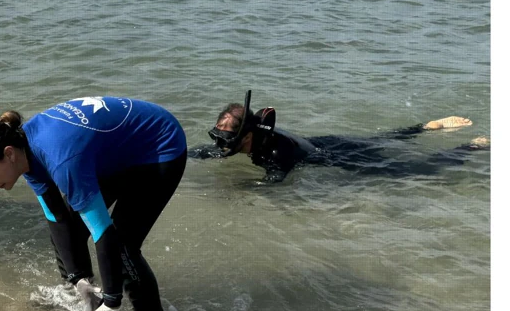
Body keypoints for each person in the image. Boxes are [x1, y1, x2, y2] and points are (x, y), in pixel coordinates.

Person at [0, 97, 188, 311]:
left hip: (159, 146)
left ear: (8, 155)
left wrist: (112, 302)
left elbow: (103, 231)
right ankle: (88, 297)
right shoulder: (22, 153)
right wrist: (77, 278)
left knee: (123, 246)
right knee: (73, 228)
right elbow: (56, 217)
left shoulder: (61, 160)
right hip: (115, 151)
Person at [191, 90, 490, 184]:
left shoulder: (275, 154)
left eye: (225, 140)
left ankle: (470, 147)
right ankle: (426, 127)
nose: (220, 147)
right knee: (380, 138)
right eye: (218, 138)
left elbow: (273, 182)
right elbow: (208, 152)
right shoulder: (251, 139)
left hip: (333, 156)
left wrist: (243, 190)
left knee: (407, 171)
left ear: (246, 138)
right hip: (322, 140)